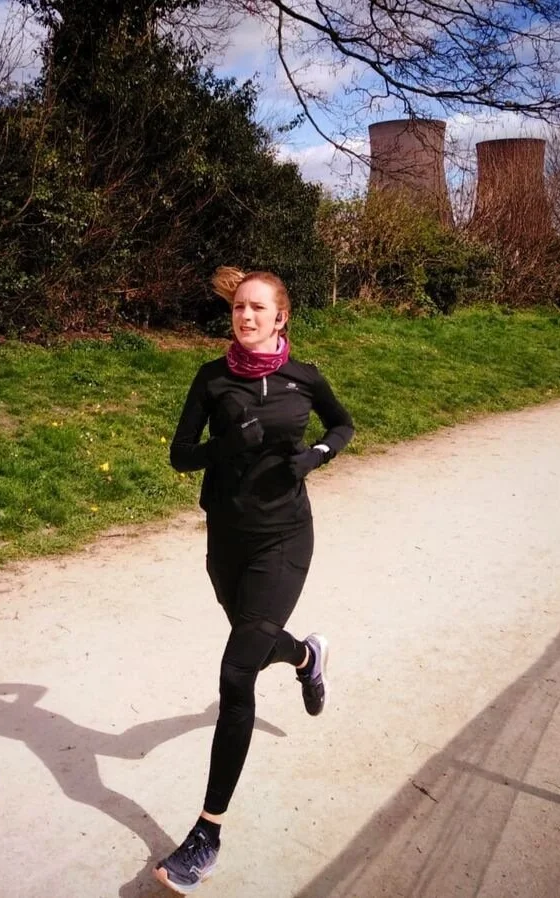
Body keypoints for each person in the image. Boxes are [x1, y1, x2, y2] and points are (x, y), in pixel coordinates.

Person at [153, 267, 355, 893]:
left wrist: (313, 457)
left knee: (237, 671)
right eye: (239, 308)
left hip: (285, 539)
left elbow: (341, 426)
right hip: (227, 541)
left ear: (280, 317)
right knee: (258, 641)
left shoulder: (305, 378)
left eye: (257, 308)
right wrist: (223, 446)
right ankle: (305, 656)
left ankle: (206, 833)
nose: (245, 317)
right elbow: (180, 454)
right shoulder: (211, 378)